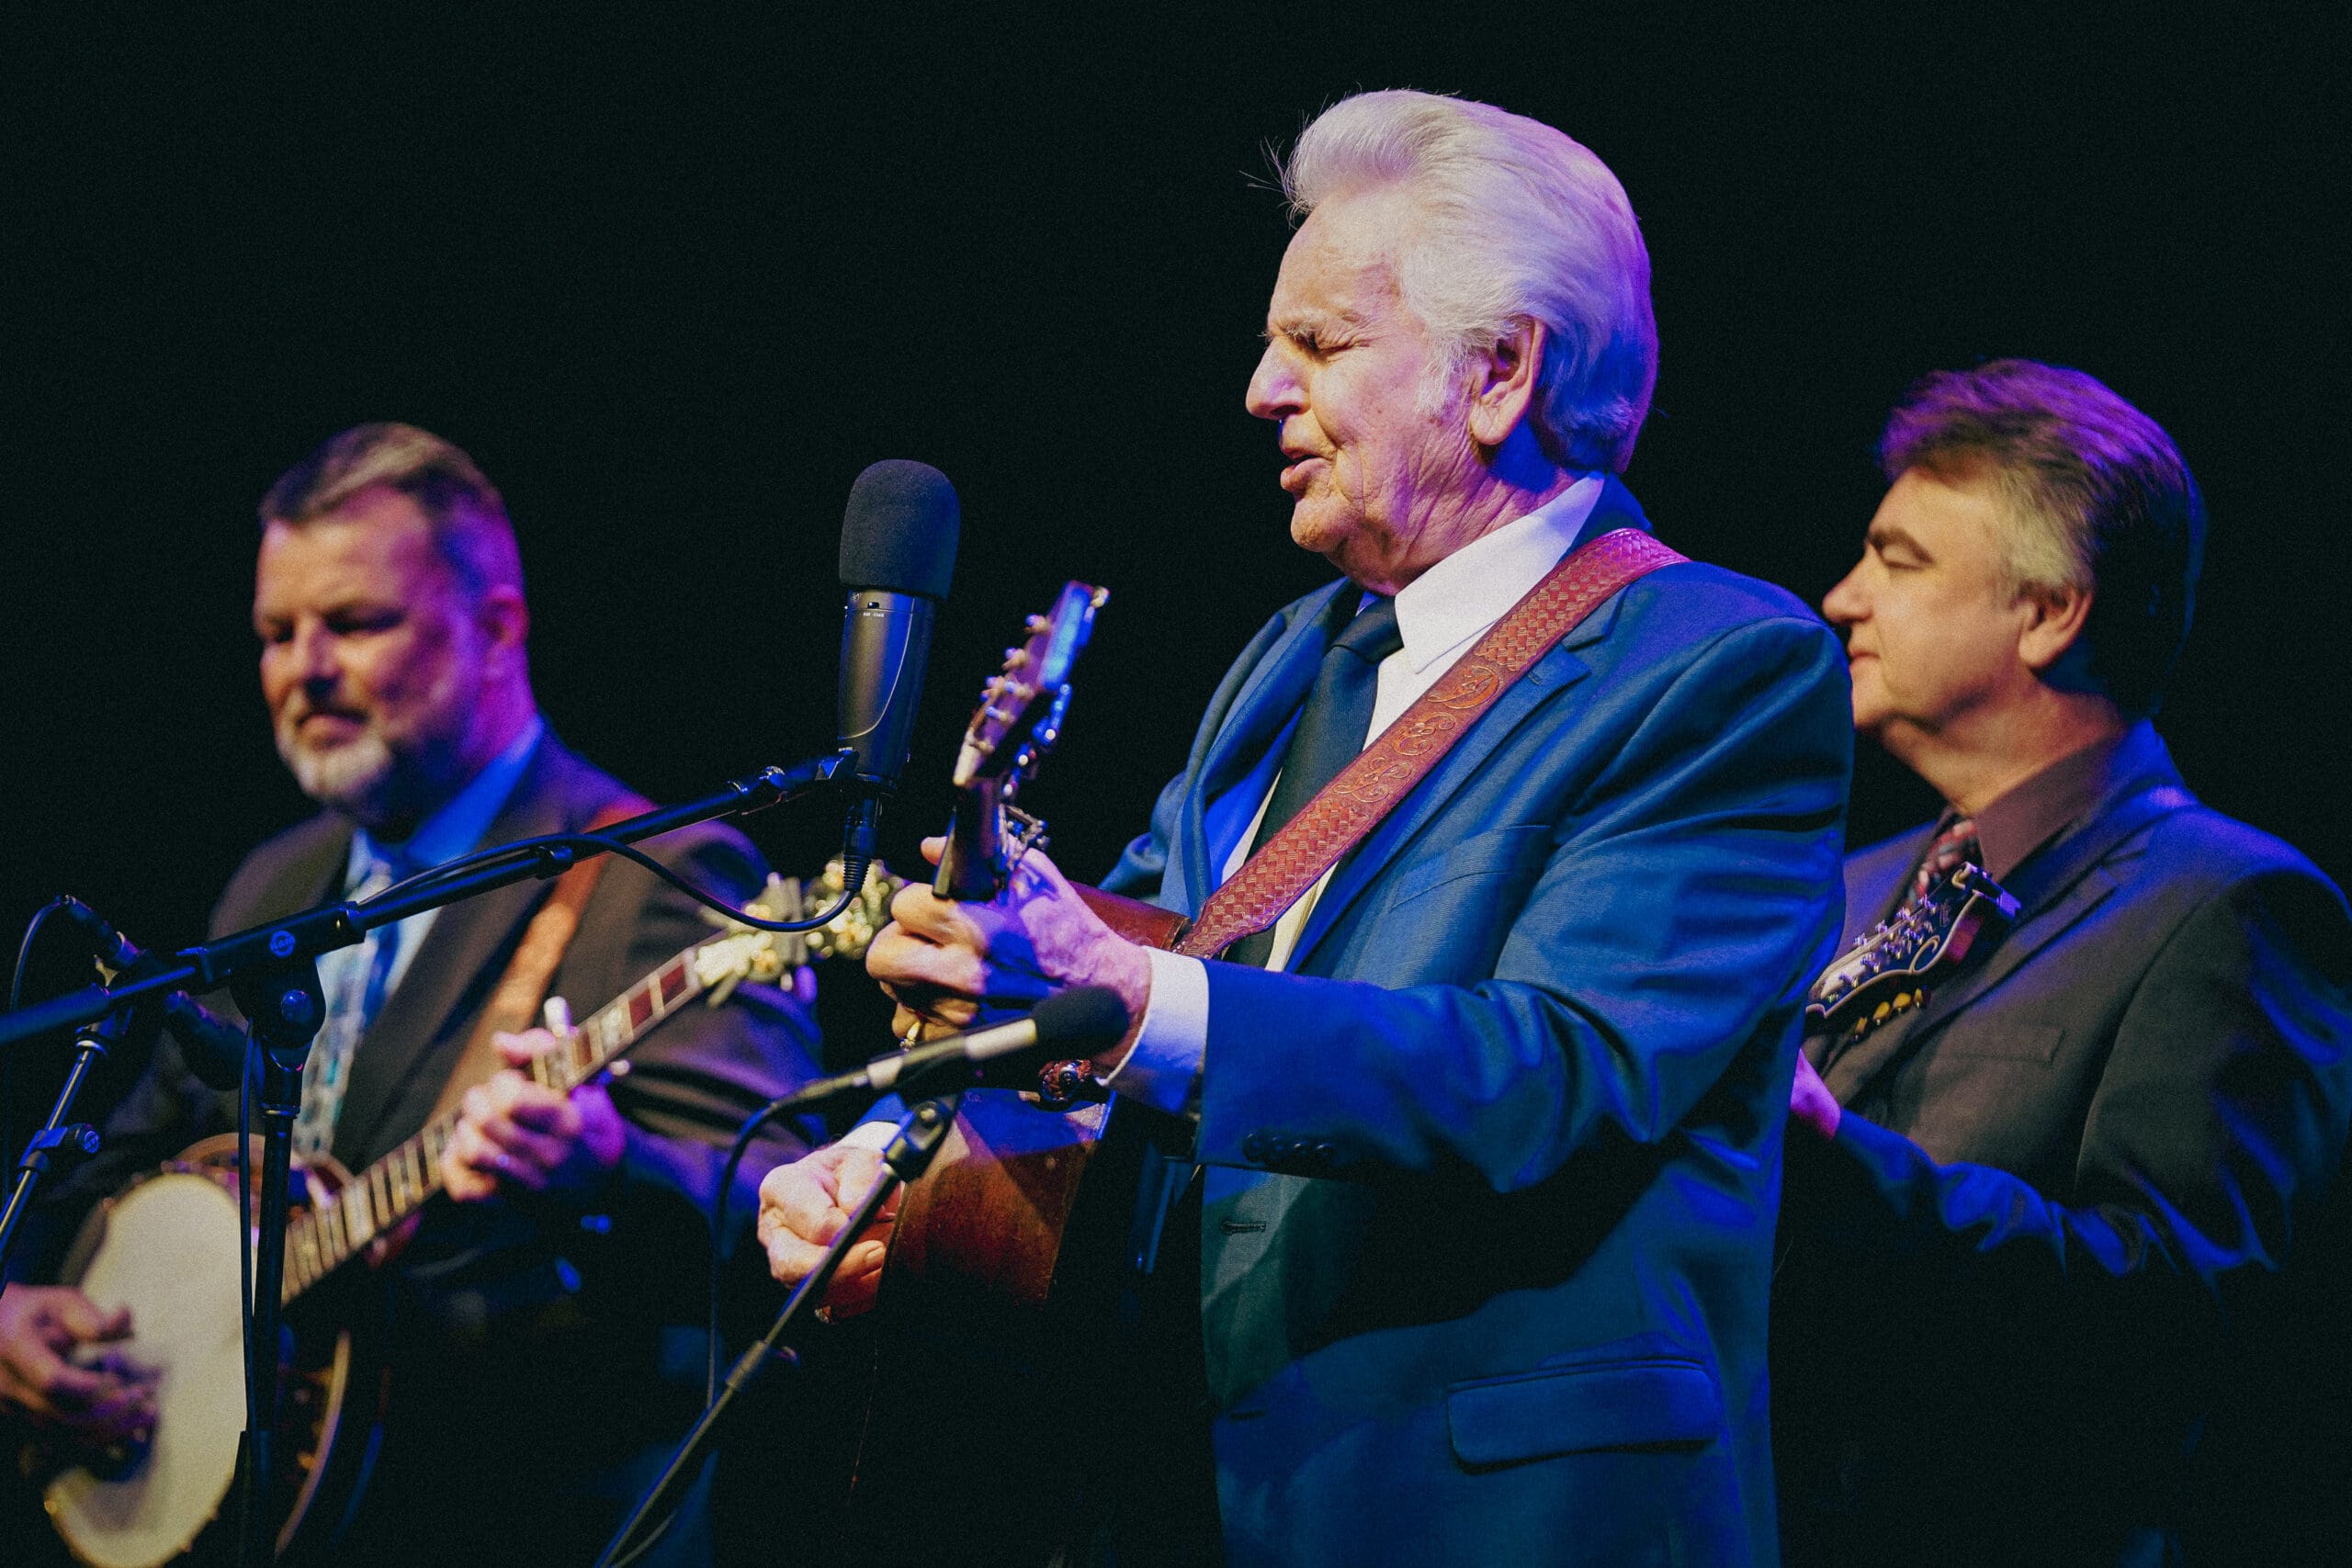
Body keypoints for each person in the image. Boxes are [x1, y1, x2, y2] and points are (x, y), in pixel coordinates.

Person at [758, 90, 1853, 1565]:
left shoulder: (1720, 664)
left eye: (1321, 343)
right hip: (1174, 1491)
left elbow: (1559, 1067)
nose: (1262, 390)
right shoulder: (1295, 652)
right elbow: (1119, 960)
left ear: (1499, 372)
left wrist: (1136, 1000)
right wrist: (897, 1148)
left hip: (1488, 1510)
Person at [0, 423, 820, 1567]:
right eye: (277, 634)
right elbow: (118, 1150)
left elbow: (776, 1212)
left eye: (355, 622)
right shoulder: (273, 884)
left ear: (496, 630)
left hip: (530, 1516)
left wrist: (600, 1169)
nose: (305, 668)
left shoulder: (662, 872)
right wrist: (25, 1295)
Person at [1772, 360, 2352, 1565]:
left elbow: (2169, 1315)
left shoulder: (2230, 904)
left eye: (1901, 559)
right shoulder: (1843, 888)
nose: (1840, 597)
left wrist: (1839, 1158)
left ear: (2049, 611)